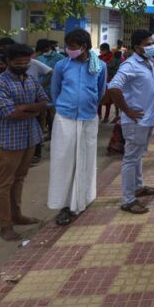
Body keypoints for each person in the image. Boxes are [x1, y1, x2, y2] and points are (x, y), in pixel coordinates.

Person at [0, 43, 49, 240]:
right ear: (8, 62)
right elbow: (10, 113)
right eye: (19, 62)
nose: (23, 65)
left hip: (30, 137)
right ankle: (5, 225)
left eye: (26, 61)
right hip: (8, 140)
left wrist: (25, 108)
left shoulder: (31, 78)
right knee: (5, 183)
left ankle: (17, 215)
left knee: (20, 178)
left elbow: (44, 103)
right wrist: (30, 109)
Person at [48, 29, 107, 225]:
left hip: (88, 118)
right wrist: (61, 108)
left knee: (85, 160)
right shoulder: (61, 65)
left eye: (72, 47)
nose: (68, 50)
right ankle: (65, 205)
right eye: (67, 47)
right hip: (65, 118)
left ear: (84, 47)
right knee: (64, 161)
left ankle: (82, 199)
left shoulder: (100, 66)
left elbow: (100, 91)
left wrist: (88, 106)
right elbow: (55, 90)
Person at [108, 30, 154, 214]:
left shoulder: (148, 61)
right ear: (137, 47)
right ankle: (128, 199)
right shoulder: (130, 65)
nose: (152, 46)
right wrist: (126, 110)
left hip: (146, 119)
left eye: (152, 42)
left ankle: (138, 187)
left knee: (137, 156)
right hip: (135, 121)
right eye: (147, 43)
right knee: (130, 158)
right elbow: (113, 87)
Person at [25, 54, 54, 166]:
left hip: (34, 100)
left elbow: (51, 72)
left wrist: (43, 84)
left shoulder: (34, 64)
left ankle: (36, 154)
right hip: (19, 103)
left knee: (35, 127)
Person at [35, 39, 65, 144]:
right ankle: (41, 136)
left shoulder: (60, 58)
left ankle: (53, 134)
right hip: (40, 90)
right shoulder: (39, 58)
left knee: (53, 113)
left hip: (54, 89)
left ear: (49, 47)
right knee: (41, 114)